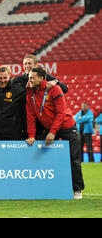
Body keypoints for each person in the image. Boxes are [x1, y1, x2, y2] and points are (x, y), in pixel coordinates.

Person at [25, 67, 84, 199]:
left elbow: (61, 113)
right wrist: (31, 135)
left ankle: (77, 190)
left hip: (66, 126)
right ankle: (46, 187)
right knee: (40, 154)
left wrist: (52, 132)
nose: (30, 80)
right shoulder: (30, 92)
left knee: (74, 159)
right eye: (29, 78)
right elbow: (30, 116)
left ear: (42, 78)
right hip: (49, 128)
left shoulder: (54, 89)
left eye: (32, 78)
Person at [0, 65, 27, 140]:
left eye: (5, 78)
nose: (2, 81)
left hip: (13, 134)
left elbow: (26, 113)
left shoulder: (19, 91)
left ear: (9, 77)